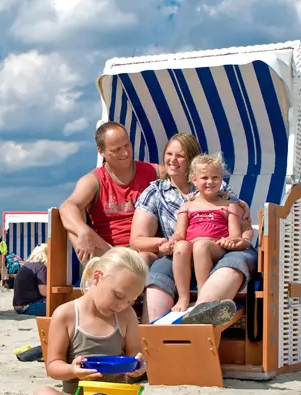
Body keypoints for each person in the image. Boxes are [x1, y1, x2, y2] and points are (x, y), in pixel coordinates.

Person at [31, 248, 248, 395]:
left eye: (131, 301)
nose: (122, 305)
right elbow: (53, 366)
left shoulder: (125, 316)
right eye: (118, 296)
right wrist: (72, 369)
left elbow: (136, 357)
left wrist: (138, 367)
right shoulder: (67, 314)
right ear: (97, 277)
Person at [128, 134, 255, 324]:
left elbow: (240, 224)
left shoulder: (216, 186)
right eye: (169, 154)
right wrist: (163, 243)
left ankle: (200, 313)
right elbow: (137, 238)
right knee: (159, 273)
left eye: (180, 155)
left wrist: (242, 238)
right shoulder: (156, 192)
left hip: (221, 246)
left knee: (233, 262)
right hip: (181, 250)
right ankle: (154, 333)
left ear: (192, 160)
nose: (172, 160)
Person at [59, 122, 160, 265]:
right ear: (101, 151)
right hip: (108, 253)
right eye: (117, 149)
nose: (125, 152)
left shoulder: (153, 172)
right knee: (74, 230)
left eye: (127, 145)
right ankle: (99, 274)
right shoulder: (94, 180)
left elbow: (184, 176)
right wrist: (83, 231)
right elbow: (68, 206)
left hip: (144, 251)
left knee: (142, 258)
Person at [166, 154, 248, 313]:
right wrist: (172, 241)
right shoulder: (187, 206)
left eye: (215, 177)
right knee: (181, 246)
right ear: (194, 180)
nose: (210, 182)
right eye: (204, 177)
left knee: (201, 245)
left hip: (215, 247)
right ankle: (183, 297)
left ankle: (204, 297)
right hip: (191, 249)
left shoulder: (229, 205)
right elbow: (179, 234)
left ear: (221, 179)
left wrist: (230, 241)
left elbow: (235, 234)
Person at [11, 243, 49, 315]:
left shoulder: (27, 265)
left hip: (18, 306)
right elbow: (44, 292)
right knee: (58, 306)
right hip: (29, 306)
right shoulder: (41, 267)